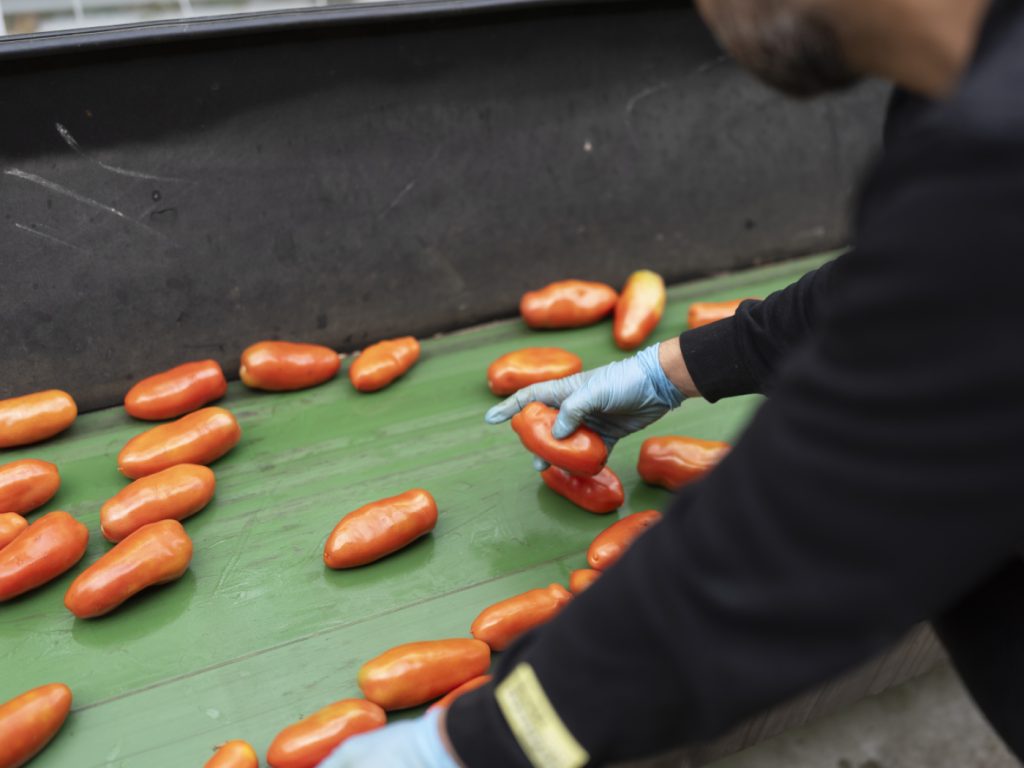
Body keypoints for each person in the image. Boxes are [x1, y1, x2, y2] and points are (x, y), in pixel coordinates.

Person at [323, 0, 1024, 764]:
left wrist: (480, 743)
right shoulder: (974, 110)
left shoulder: (998, 154)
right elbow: (937, 290)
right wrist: (671, 369)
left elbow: (803, 531)